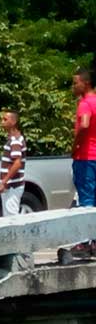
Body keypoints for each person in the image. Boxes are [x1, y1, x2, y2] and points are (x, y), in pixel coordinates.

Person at [67, 68, 96, 257]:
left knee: (86, 199)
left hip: (86, 157)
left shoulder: (85, 103)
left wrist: (75, 145)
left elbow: (84, 125)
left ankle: (85, 242)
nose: (73, 86)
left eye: (75, 82)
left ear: (85, 83)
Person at [0, 110, 26, 216]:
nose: (2, 122)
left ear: (13, 122)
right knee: (8, 215)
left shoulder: (15, 140)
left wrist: (4, 182)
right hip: (10, 186)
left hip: (13, 186)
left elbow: (17, 164)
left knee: (11, 217)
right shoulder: (13, 139)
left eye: (5, 119)